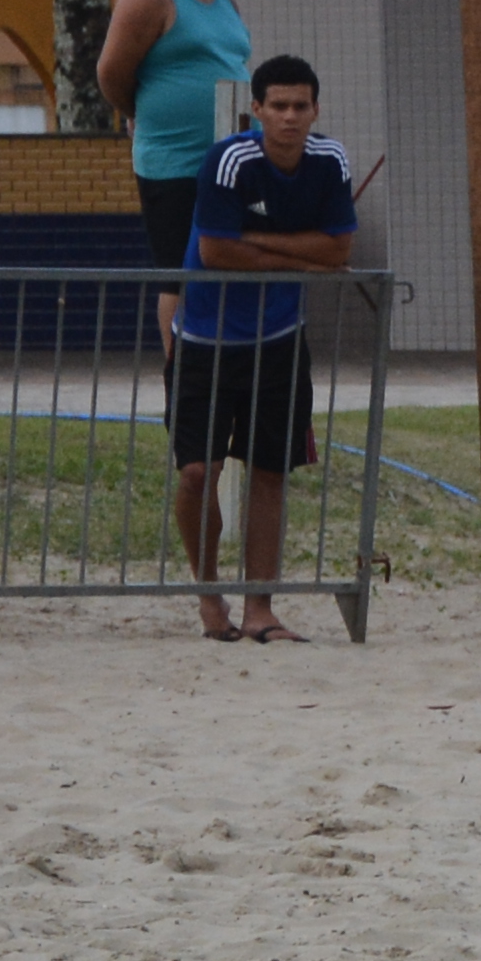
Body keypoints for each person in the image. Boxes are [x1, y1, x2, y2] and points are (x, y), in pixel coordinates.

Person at [167, 51, 354, 644]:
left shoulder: (329, 160)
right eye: (278, 106)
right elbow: (218, 255)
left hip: (278, 340)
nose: (290, 117)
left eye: (301, 106)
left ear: (315, 109)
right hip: (205, 339)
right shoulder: (229, 161)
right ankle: (209, 595)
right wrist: (301, 251)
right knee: (198, 472)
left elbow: (339, 252)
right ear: (256, 110)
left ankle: (260, 609)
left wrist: (263, 246)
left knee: (270, 471)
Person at [93, 0, 248, 350]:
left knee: (234, 264)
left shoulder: (226, 3)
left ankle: (232, 364)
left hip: (231, 161)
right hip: (174, 163)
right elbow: (111, 74)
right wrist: (141, 114)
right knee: (180, 272)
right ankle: (180, 374)